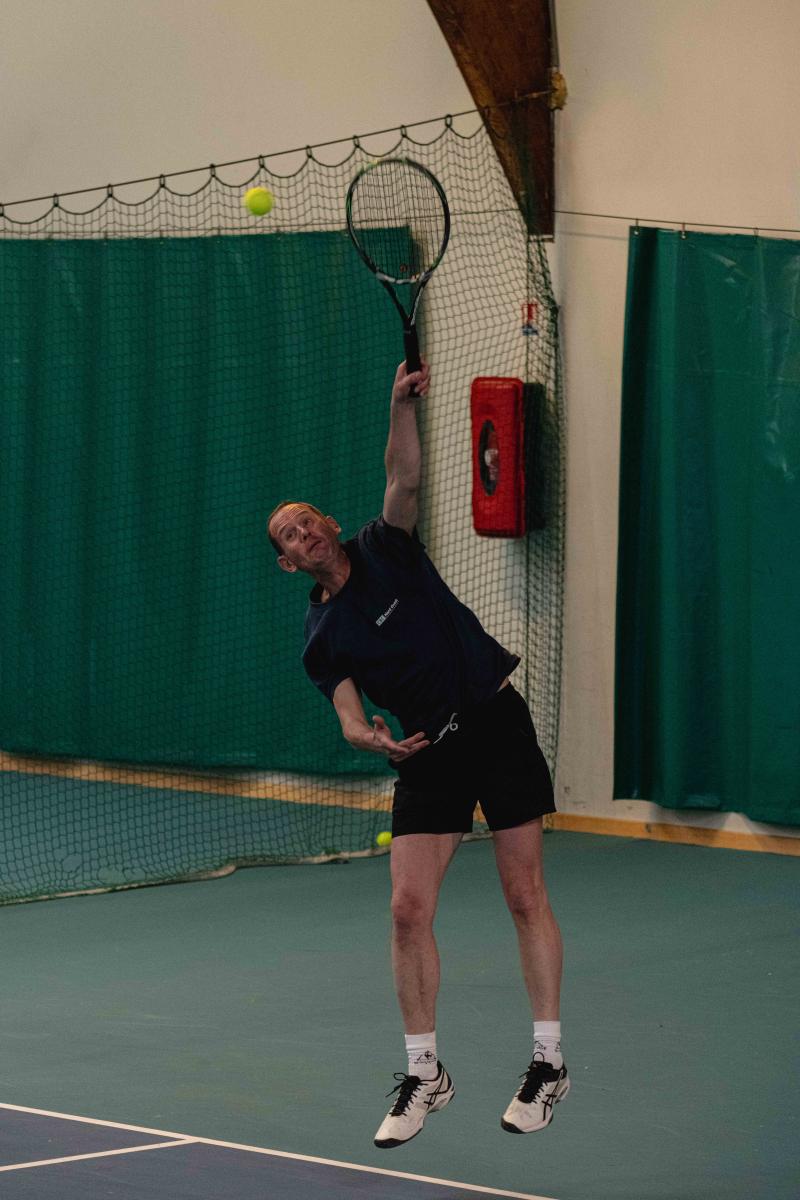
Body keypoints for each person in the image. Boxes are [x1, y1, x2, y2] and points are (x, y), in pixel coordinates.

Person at [267, 360, 568, 1148]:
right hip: (427, 751)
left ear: (329, 524)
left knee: (524, 894)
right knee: (406, 910)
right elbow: (347, 715)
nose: (304, 533)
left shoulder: (384, 546)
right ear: (288, 563)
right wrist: (368, 736)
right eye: (289, 535)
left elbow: (403, 475)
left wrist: (399, 402)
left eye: (307, 520)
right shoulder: (321, 636)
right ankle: (425, 1074)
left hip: (495, 721)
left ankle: (548, 1062)